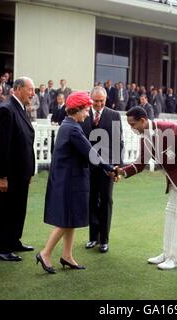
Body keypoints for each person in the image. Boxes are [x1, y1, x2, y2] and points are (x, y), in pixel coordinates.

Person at [36, 91, 115, 274]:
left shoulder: (68, 125)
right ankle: (46, 253)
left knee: (70, 220)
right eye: (86, 110)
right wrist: (110, 169)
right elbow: (91, 154)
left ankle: (67, 255)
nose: (88, 113)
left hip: (68, 181)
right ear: (77, 109)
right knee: (65, 221)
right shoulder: (73, 129)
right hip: (69, 183)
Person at [115, 106, 177, 270]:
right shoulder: (143, 136)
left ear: (143, 121)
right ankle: (167, 254)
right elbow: (140, 164)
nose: (132, 129)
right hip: (173, 181)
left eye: (133, 125)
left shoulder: (171, 129)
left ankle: (176, 258)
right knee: (170, 213)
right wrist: (122, 172)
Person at [0, 77, 36, 262]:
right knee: (6, 211)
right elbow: (0, 146)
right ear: (17, 89)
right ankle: (2, 248)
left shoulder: (20, 108)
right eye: (30, 90)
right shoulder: (5, 109)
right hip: (9, 175)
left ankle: (13, 241)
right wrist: (1, 176)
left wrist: (29, 171)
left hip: (21, 174)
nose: (33, 94)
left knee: (18, 210)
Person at [82, 86, 123, 253]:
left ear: (106, 100)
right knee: (91, 200)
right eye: (96, 101)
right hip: (88, 167)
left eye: (102, 101)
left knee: (106, 200)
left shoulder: (114, 115)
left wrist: (116, 168)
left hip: (107, 167)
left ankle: (104, 240)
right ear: (91, 99)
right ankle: (93, 237)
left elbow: (118, 143)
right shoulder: (83, 115)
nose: (98, 104)